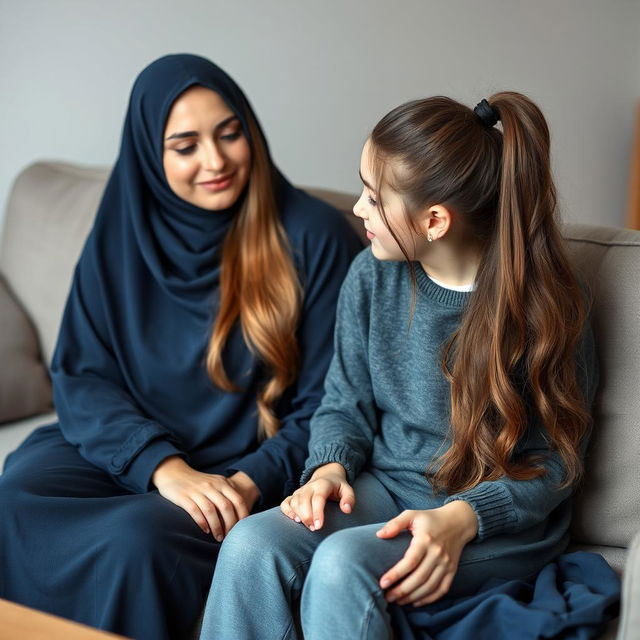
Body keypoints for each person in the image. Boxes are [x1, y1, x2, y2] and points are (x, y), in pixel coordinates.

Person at [199, 92, 602, 640]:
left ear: (434, 220)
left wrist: (463, 519)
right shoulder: (371, 275)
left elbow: (558, 463)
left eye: (373, 197)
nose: (358, 209)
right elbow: (344, 402)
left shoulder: (549, 303)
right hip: (390, 489)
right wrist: (330, 469)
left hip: (495, 524)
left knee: (342, 564)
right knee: (252, 544)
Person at [0, 54, 361, 640]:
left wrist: (250, 482)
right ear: (151, 153)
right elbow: (81, 374)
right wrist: (163, 468)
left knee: (132, 543)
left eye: (229, 134)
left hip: (237, 470)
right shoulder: (120, 230)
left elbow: (330, 404)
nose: (215, 162)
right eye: (185, 145)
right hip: (123, 445)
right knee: (12, 499)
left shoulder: (314, 237)